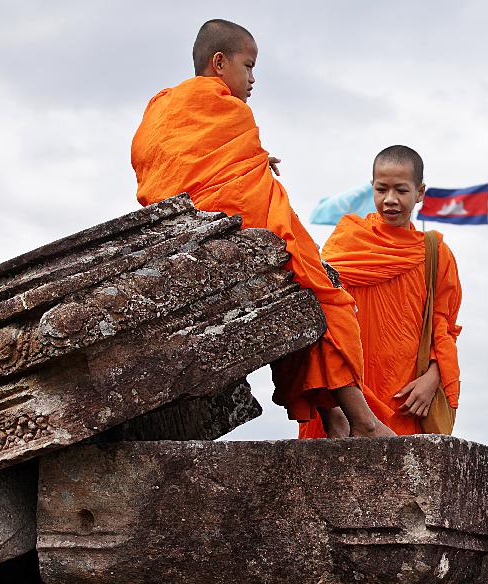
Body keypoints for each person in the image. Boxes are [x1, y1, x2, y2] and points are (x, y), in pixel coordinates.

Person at [130, 19, 394, 438]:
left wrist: (255, 166)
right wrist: (255, 170)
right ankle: (361, 420)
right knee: (321, 286)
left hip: (178, 228)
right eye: (248, 66)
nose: (253, 79)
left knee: (305, 284)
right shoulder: (229, 110)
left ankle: (336, 417)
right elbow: (222, 182)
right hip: (221, 226)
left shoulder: (161, 105)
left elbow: (172, 166)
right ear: (219, 62)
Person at [300, 145, 462, 437]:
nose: (390, 200)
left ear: (420, 193)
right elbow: (322, 311)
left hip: (407, 396)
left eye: (401, 190)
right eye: (381, 189)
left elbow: (444, 327)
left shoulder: (435, 253)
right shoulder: (348, 241)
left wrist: (432, 377)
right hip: (351, 391)